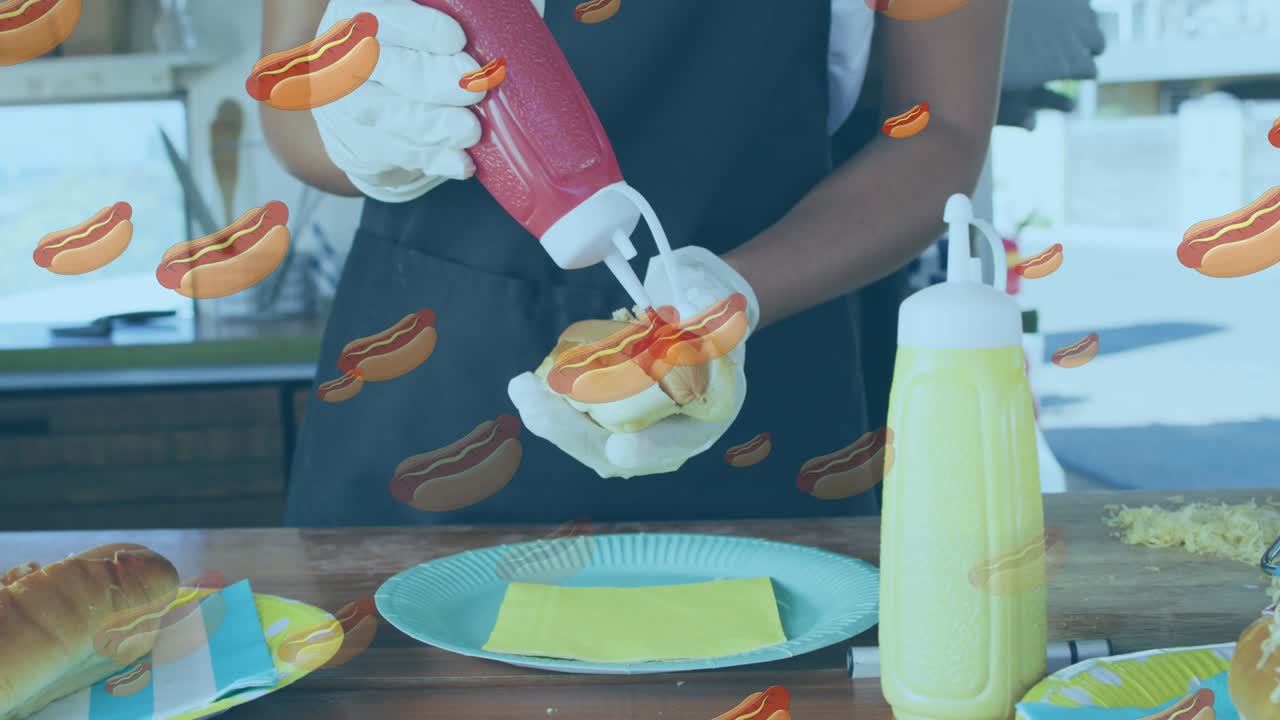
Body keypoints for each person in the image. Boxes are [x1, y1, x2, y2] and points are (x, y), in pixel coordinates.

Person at [262, 0, 1010, 527]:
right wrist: (361, 134)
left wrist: (736, 298)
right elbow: (287, 103)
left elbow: (941, 127)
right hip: (425, 394)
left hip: (758, 378)